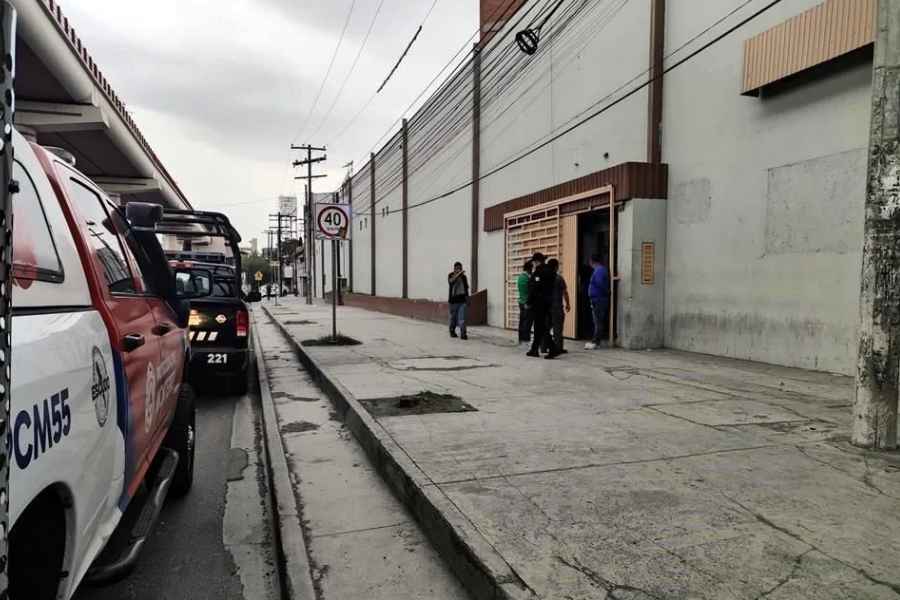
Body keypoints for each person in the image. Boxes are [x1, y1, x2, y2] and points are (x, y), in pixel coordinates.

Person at [526, 253, 555, 358]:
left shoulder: (539, 272)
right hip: (547, 302)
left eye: (534, 262)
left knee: (541, 327)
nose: (533, 264)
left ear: (537, 261)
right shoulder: (550, 270)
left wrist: (528, 302)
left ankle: (553, 348)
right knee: (539, 327)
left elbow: (534, 289)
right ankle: (534, 349)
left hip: (539, 304)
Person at [546, 258, 570, 356]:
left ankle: (543, 347)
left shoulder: (544, 278)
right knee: (558, 329)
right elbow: (565, 292)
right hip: (557, 308)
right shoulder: (559, 278)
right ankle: (558, 348)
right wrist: (568, 304)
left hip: (546, 308)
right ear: (556, 267)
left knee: (546, 328)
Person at [585, 254, 610, 350]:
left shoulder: (599, 270)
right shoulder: (600, 270)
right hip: (597, 298)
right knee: (597, 320)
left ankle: (596, 341)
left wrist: (606, 292)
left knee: (597, 321)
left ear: (591, 261)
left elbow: (600, 283)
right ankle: (596, 341)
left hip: (599, 299)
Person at [447, 261, 470, 340]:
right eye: (457, 268)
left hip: (462, 301)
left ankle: (463, 334)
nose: (459, 270)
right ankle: (452, 331)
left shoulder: (464, 277)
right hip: (453, 302)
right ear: (454, 269)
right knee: (453, 319)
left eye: (460, 268)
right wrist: (458, 274)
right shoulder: (451, 275)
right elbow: (451, 281)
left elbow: (466, 289)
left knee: (462, 318)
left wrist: (468, 299)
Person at [516, 260, 534, 344]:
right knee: (527, 322)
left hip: (521, 301)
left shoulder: (520, 277)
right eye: (532, 268)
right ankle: (526, 339)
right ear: (529, 269)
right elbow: (531, 291)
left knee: (522, 321)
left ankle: (520, 338)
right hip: (527, 303)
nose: (532, 270)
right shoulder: (528, 278)